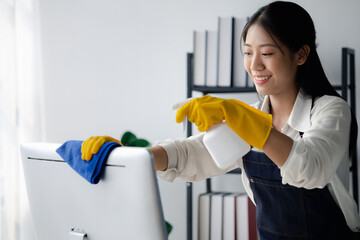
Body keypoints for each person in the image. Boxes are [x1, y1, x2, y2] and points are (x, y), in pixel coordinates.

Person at [82, 1, 360, 239]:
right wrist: (129, 156)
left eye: (267, 53)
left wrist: (246, 121)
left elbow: (310, 168)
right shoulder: (247, 117)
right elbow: (193, 154)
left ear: (301, 54)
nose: (254, 66)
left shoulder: (331, 111)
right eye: (248, 53)